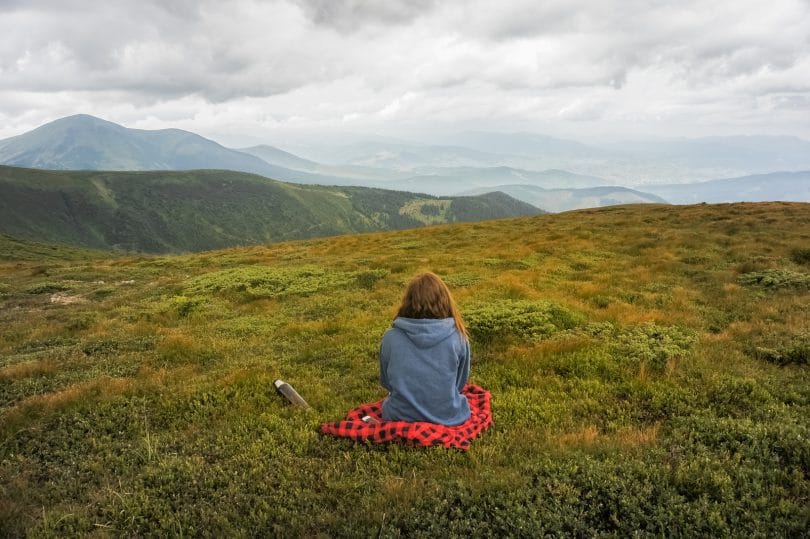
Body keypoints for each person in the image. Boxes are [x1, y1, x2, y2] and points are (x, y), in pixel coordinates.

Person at [379, 272, 471, 426]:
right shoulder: (459, 337)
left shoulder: (390, 337)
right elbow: (460, 383)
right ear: (445, 300)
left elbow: (386, 381)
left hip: (398, 415)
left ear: (407, 301)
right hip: (447, 415)